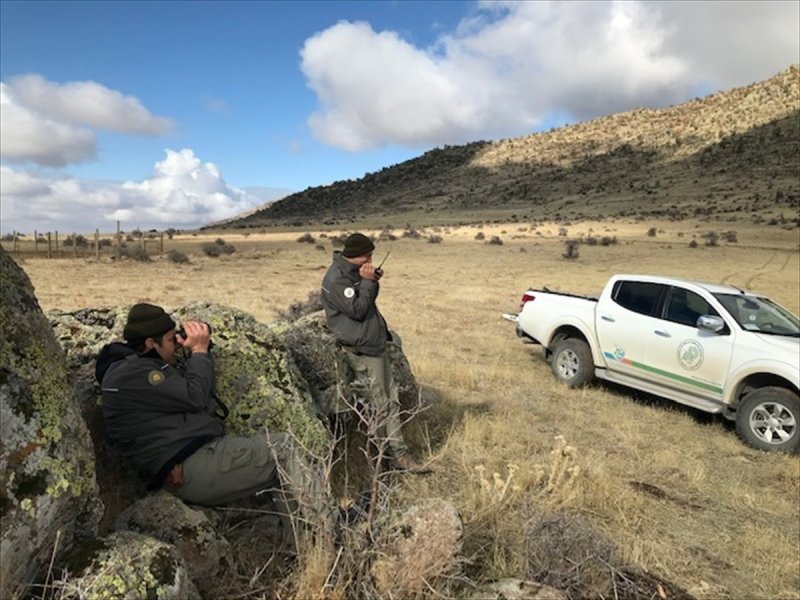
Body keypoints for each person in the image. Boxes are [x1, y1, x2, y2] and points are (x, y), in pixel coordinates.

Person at [95, 303, 334, 537]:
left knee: (278, 461)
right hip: (192, 466)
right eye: (170, 339)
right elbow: (195, 396)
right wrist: (199, 351)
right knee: (284, 448)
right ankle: (331, 528)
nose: (176, 344)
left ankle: (310, 545)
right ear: (150, 343)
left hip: (190, 461)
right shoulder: (137, 373)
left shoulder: (137, 368)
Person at [321, 233, 426, 473]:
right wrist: (368, 282)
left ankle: (383, 458)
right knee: (384, 402)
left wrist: (370, 281)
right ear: (355, 255)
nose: (370, 259)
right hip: (364, 348)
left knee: (381, 400)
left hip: (368, 343)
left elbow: (362, 303)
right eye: (367, 255)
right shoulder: (338, 278)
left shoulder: (349, 272)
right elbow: (358, 310)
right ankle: (394, 457)